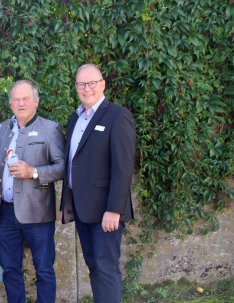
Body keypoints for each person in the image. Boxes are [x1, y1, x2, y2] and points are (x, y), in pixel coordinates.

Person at [60, 63, 136, 303]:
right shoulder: (75, 118)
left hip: (106, 211)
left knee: (106, 268)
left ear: (102, 84)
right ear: (76, 87)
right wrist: (66, 203)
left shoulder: (117, 115)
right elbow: (72, 163)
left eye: (92, 82)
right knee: (94, 266)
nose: (87, 88)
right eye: (81, 84)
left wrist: (114, 209)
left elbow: (123, 168)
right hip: (83, 210)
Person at [0, 80, 65, 303]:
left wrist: (33, 172)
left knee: (43, 270)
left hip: (38, 212)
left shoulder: (49, 128)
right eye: (16, 99)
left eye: (25, 98)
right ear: (10, 103)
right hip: (4, 214)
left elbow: (62, 167)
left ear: (36, 102)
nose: (21, 103)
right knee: (10, 270)